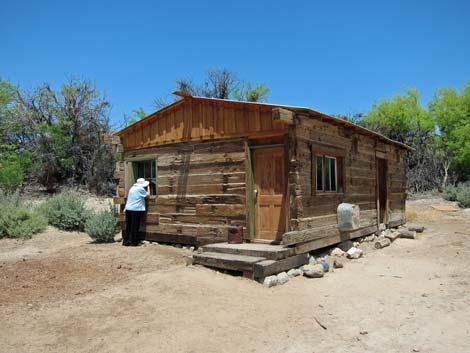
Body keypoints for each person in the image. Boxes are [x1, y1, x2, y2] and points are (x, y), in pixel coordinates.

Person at [123, 178, 150, 246]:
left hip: (128, 208)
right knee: (135, 226)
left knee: (128, 225)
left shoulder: (132, 188)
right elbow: (148, 195)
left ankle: (126, 241)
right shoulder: (140, 189)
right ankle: (133, 242)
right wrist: (148, 187)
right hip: (135, 209)